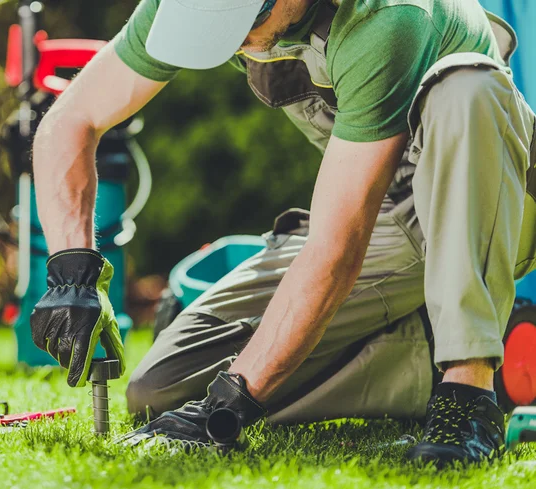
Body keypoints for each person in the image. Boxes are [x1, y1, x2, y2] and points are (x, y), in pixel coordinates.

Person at [28, 0, 536, 466]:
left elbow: (336, 251)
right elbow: (71, 119)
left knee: (467, 86)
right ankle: (456, 343)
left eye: (245, 24)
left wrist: (230, 403)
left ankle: (469, 387)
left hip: (489, 207)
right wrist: (71, 271)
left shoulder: (388, 17)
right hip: (383, 216)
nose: (236, 43)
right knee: (161, 390)